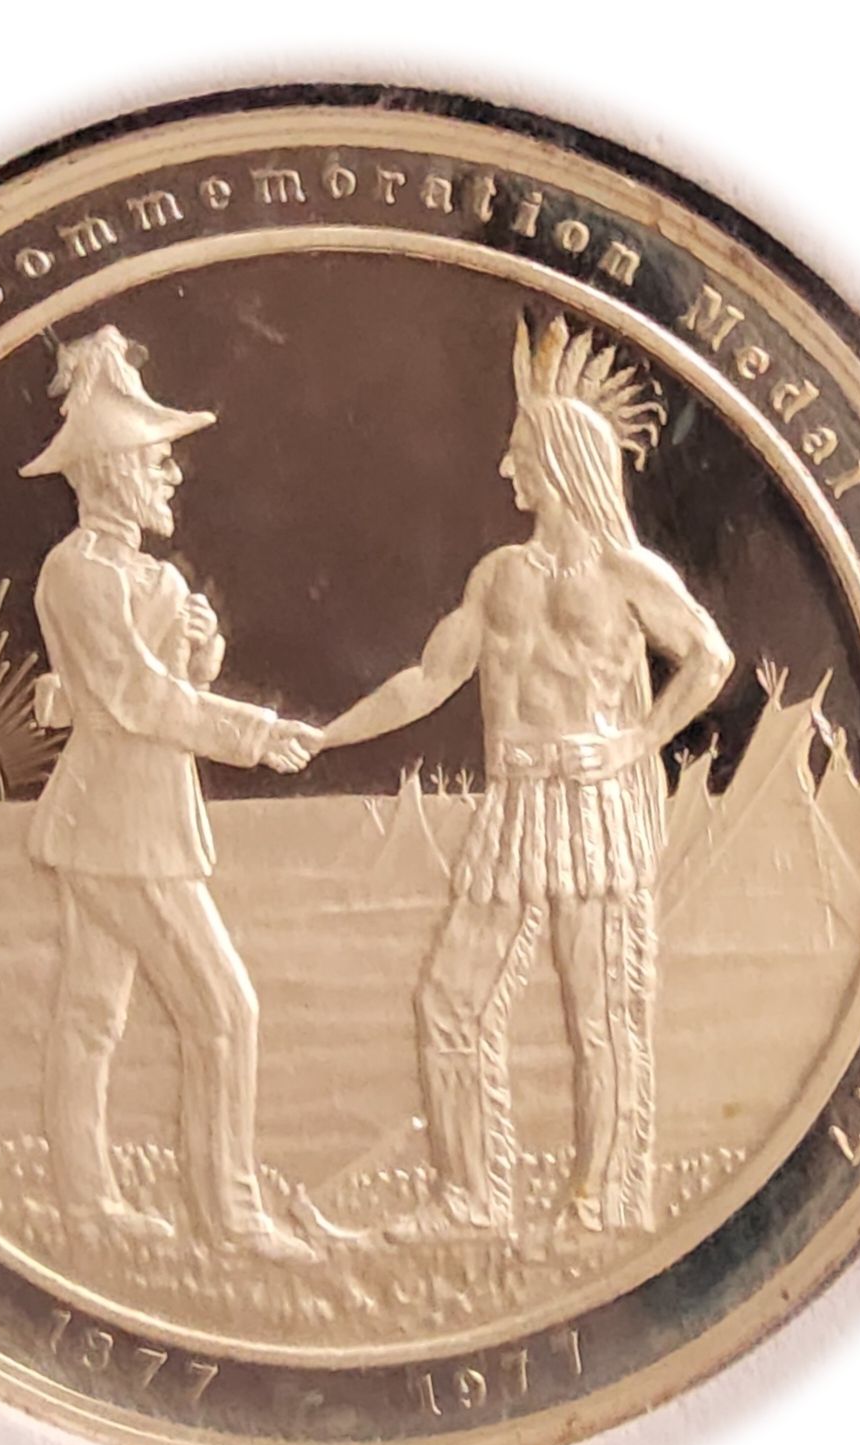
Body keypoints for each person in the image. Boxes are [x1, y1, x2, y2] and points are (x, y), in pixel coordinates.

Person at [318, 316, 734, 1237]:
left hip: (595, 807)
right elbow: (430, 678)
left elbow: (709, 657)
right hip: (515, 807)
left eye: (520, 454)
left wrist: (635, 742)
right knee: (451, 998)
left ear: (561, 462)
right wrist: (326, 736)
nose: (507, 470)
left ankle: (605, 1203)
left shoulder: (627, 572)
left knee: (601, 1015)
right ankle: (471, 1197)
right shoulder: (498, 575)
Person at [20, 324, 319, 1263]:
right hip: (121, 831)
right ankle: (229, 1215)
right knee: (223, 1010)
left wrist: (200, 647)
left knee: (93, 1011)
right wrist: (254, 733)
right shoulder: (76, 572)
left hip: (134, 823)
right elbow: (133, 698)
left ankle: (86, 1207)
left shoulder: (149, 575)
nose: (172, 477)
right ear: (114, 473)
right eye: (157, 462)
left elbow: (146, 684)